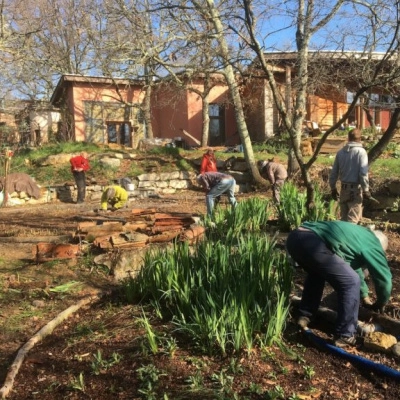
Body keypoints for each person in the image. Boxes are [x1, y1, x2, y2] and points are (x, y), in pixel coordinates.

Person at [286, 220, 392, 348]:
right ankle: (345, 335)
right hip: (313, 242)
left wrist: (364, 296)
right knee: (351, 282)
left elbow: (354, 269)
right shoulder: (373, 244)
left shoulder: (358, 237)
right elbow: (384, 279)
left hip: (295, 238)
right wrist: (381, 302)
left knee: (317, 273)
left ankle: (305, 315)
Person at [329, 128, 371, 223]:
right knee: (353, 221)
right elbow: (363, 173)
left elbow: (334, 172)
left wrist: (333, 188)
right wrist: (366, 190)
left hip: (344, 190)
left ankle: (341, 237)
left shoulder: (340, 153)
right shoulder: (361, 152)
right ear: (360, 139)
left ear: (348, 138)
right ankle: (349, 237)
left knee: (344, 220)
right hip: (355, 191)